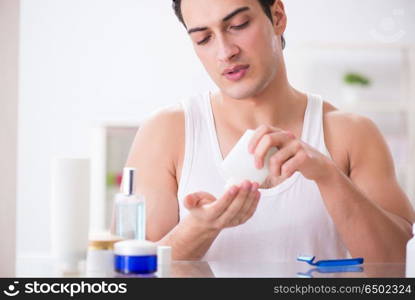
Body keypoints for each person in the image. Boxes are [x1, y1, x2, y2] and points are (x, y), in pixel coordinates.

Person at [126, 0, 415, 263]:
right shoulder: (166, 133)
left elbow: (398, 265)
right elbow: (128, 276)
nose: (225, 52)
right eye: (204, 38)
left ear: (277, 17)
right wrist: (200, 228)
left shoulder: (351, 133)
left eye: (238, 26)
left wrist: (328, 177)